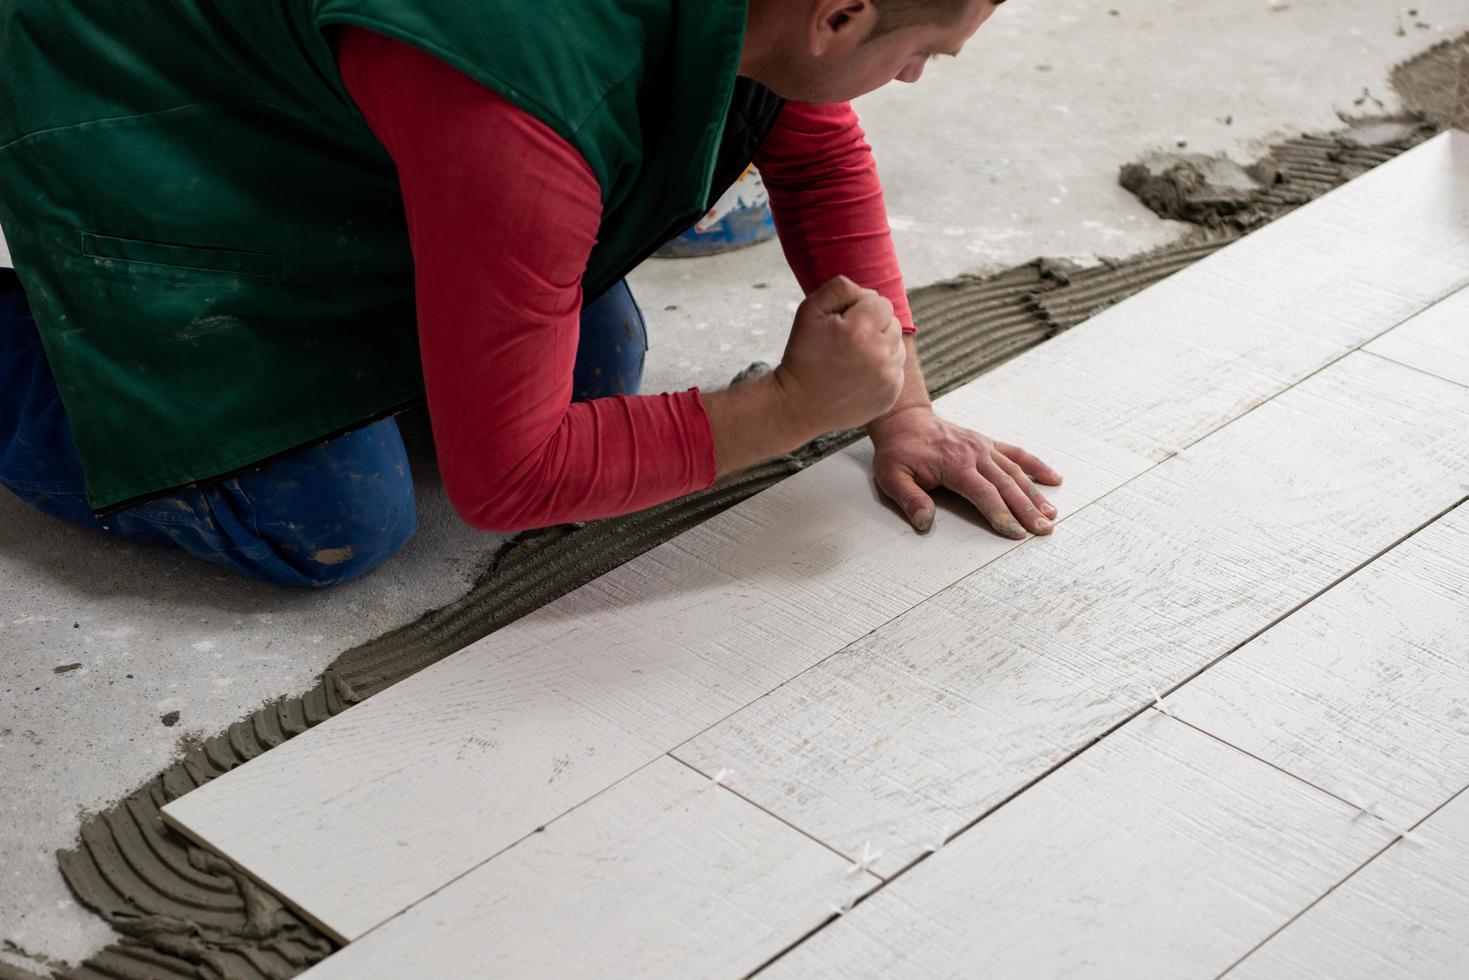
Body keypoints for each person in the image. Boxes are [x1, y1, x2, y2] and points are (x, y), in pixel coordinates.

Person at [0, 0, 1061, 588]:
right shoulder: (526, 99)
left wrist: (901, 407)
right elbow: (504, 480)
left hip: (354, 89)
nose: (917, 76)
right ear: (837, 16)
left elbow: (814, 152)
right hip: (151, 95)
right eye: (922, 52)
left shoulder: (769, 14)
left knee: (599, 371)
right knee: (330, 518)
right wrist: (788, 408)